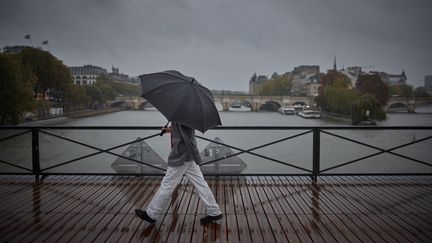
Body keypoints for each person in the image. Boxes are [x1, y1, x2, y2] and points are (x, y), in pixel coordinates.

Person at [135, 122, 223, 224]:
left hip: (181, 156)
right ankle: (214, 211)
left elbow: (185, 135)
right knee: (201, 184)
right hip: (189, 155)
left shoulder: (181, 114)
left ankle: (151, 214)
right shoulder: (188, 114)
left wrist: (178, 149)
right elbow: (183, 130)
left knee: (167, 185)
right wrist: (170, 130)